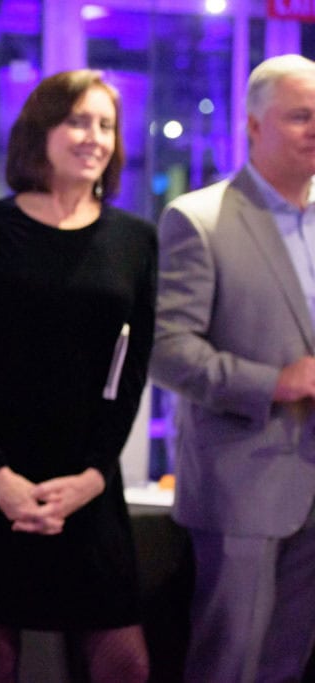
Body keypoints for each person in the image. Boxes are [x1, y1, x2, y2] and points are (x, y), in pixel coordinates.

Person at [0, 70, 155, 682]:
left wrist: (94, 475)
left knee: (124, 663)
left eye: (106, 125)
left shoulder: (135, 238)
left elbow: (131, 369)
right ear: (41, 131)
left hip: (86, 481)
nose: (95, 137)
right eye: (78, 121)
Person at [149, 53, 315, 683]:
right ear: (252, 125)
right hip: (241, 486)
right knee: (228, 665)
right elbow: (168, 350)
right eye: (300, 116)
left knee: (287, 665)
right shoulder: (200, 219)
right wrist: (276, 383)